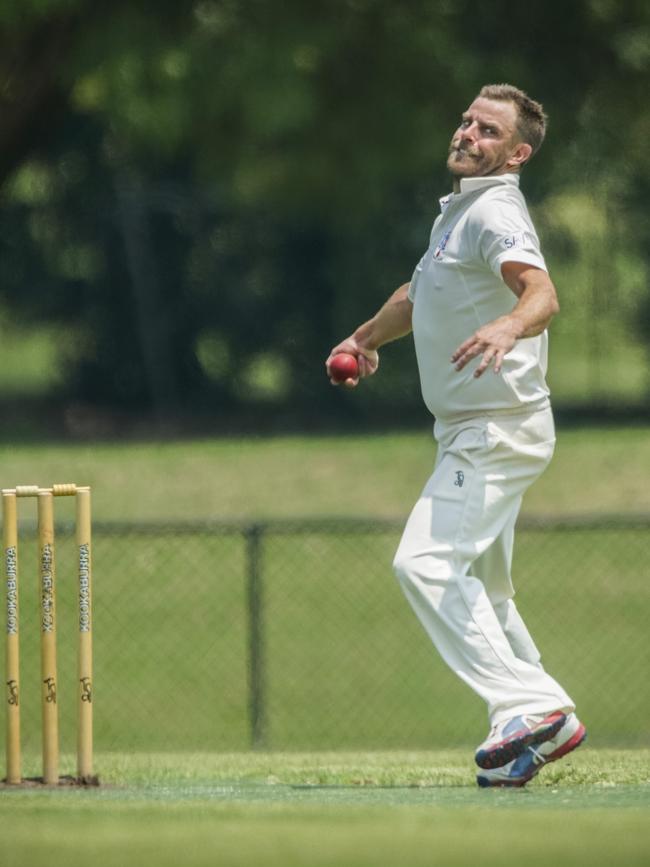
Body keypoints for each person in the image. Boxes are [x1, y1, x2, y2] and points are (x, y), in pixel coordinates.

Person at [326, 84, 586, 788]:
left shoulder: (496, 209)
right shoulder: (460, 214)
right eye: (468, 121)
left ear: (517, 153)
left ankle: (531, 704)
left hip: (493, 429)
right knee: (488, 593)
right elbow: (421, 292)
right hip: (479, 428)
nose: (468, 134)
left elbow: (542, 292)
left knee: (426, 564)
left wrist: (509, 323)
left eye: (489, 130)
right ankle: (531, 730)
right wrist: (365, 337)